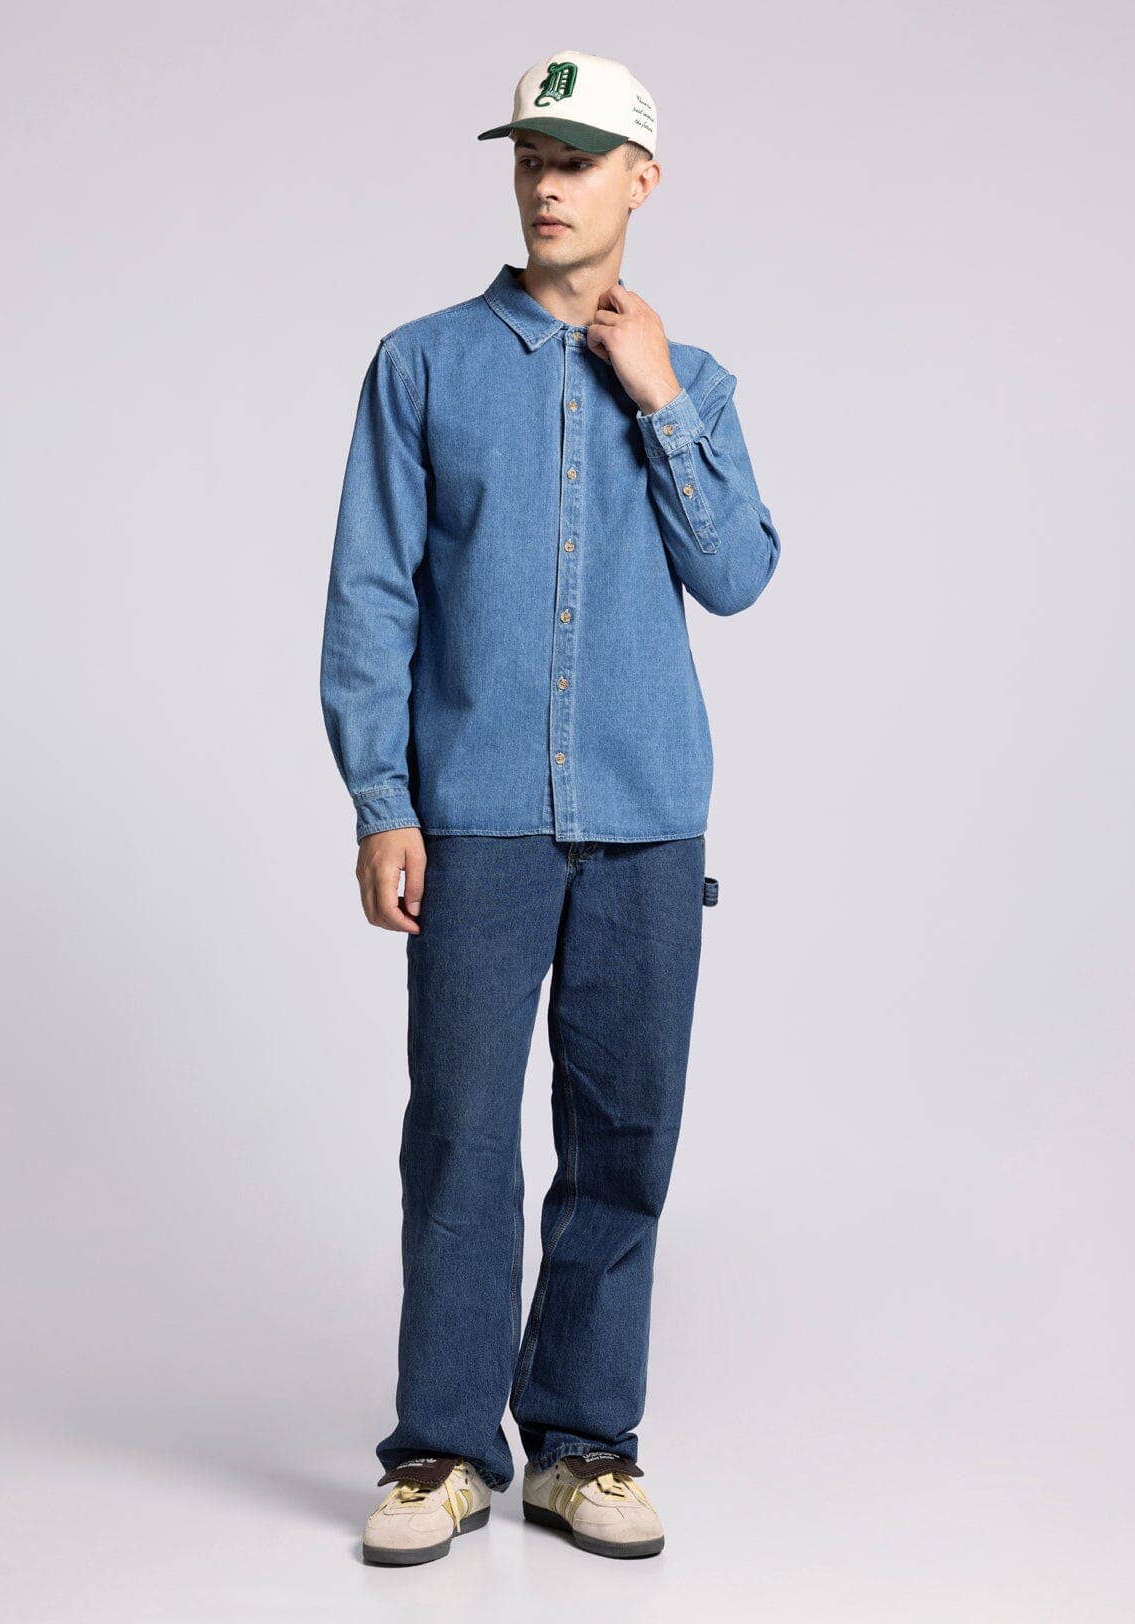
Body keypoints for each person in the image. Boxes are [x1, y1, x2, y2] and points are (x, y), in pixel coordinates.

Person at [319, 46, 781, 1567]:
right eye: (529, 156)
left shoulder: (696, 381)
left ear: (640, 181)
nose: (545, 183)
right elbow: (373, 595)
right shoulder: (421, 366)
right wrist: (382, 800)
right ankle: (441, 1451)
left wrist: (658, 399)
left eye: (576, 160)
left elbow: (738, 574)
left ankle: (581, 1446)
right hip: (475, 815)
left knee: (623, 1134)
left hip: (647, 816)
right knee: (459, 1133)